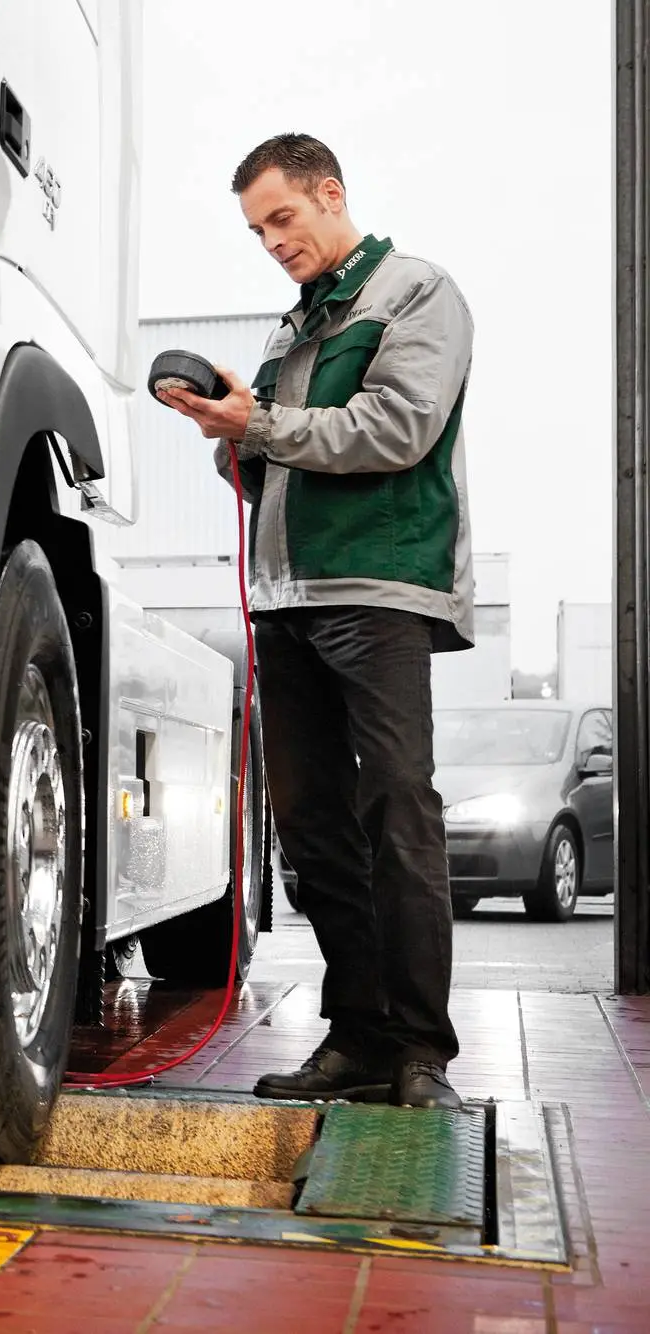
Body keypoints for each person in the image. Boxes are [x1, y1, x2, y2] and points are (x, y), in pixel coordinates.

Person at [154, 133, 474, 1112]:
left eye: (281, 218)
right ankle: (357, 1032)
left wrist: (257, 426)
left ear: (329, 194)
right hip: (286, 599)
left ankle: (419, 1048)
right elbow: (269, 461)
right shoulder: (287, 330)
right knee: (310, 824)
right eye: (255, 231)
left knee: (394, 810)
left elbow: (394, 428)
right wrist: (225, 432)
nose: (271, 242)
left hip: (377, 586)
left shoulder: (413, 293)